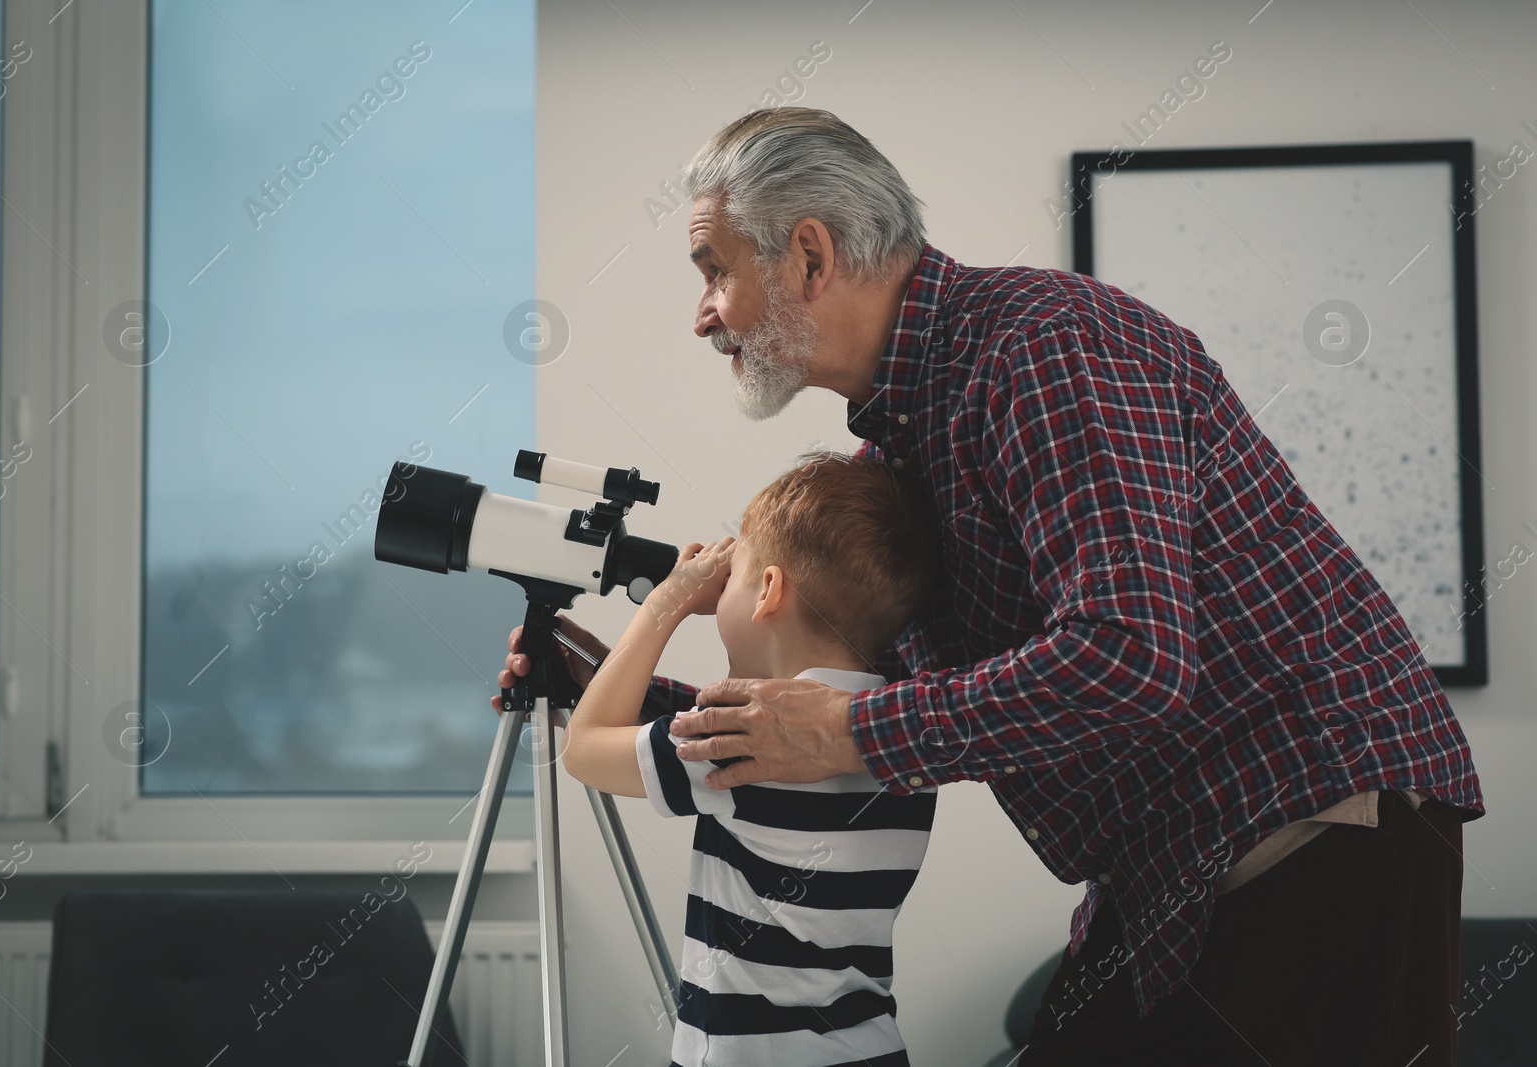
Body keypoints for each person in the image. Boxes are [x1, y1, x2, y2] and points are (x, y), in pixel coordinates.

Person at [501, 107, 1485, 1065]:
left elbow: (1129, 656)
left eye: (714, 268)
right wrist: (614, 687)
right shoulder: (896, 445)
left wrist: (842, 731)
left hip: (1310, 821)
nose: (701, 313)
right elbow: (837, 694)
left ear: (807, 254)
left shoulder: (1044, 348)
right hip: (1168, 864)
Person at [560, 451, 942, 1067]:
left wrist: (665, 605)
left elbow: (583, 749)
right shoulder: (896, 734)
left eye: (733, 573)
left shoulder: (753, 748)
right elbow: (684, 722)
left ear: (767, 591)